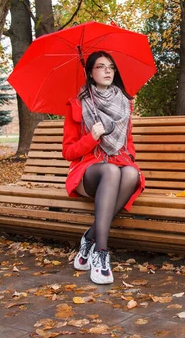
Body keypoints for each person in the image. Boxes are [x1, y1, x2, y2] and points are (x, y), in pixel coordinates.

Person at [62, 51, 145, 285]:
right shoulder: (77, 105)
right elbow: (68, 152)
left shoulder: (124, 103)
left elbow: (128, 144)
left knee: (129, 173)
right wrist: (92, 136)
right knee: (109, 170)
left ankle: (88, 238)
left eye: (111, 67)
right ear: (90, 72)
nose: (108, 71)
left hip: (118, 164)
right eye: (100, 67)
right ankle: (101, 253)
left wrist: (127, 156)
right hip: (88, 172)